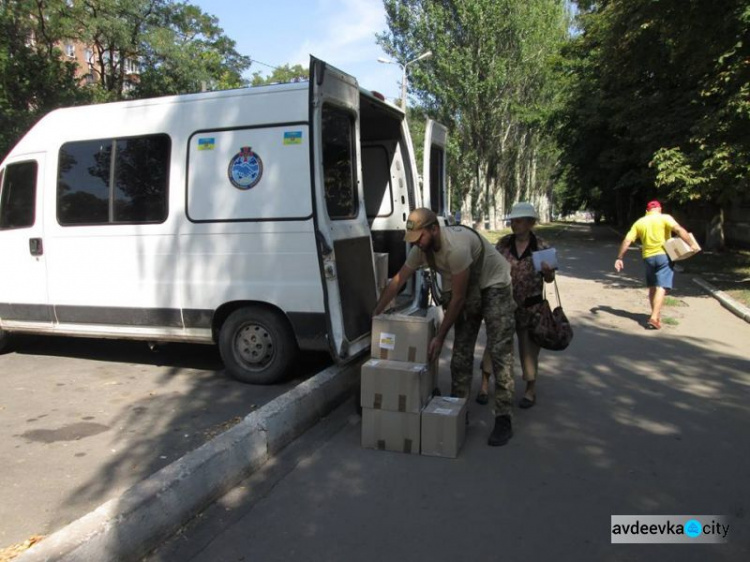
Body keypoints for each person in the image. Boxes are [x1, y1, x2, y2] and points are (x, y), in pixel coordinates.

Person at [373, 208, 517, 446]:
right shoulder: (422, 250)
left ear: (434, 229)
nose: (417, 244)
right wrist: (376, 314)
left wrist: (439, 337)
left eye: (420, 238)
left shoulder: (455, 248)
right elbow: (398, 280)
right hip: (467, 287)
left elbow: (458, 299)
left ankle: (504, 418)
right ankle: (458, 410)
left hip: (494, 284)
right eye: (413, 239)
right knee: (461, 354)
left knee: (500, 351)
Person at [477, 202, 555, 410]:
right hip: (503, 305)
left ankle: (530, 390)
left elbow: (549, 280)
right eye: (512, 221)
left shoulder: (541, 246)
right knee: (494, 345)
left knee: (529, 350)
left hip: (531, 307)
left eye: (518, 221)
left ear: (530, 223)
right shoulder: (503, 244)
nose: (514, 224)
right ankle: (485, 384)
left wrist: (548, 273)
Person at [614, 200, 699, 329]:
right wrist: (691, 244)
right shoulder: (665, 218)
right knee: (662, 286)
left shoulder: (640, 222)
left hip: (648, 258)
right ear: (659, 209)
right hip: (664, 256)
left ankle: (655, 315)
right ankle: (654, 317)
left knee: (652, 286)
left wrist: (619, 258)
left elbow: (627, 240)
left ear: (647, 211)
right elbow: (678, 229)